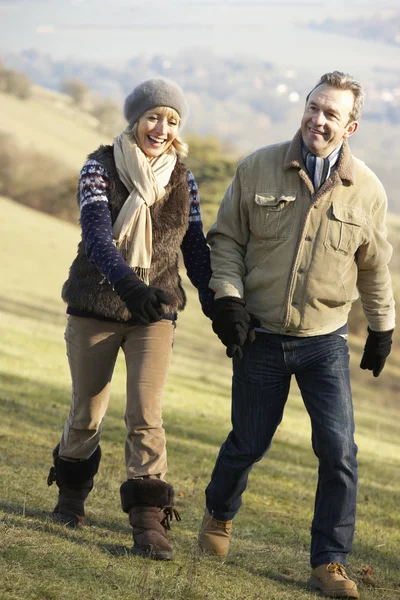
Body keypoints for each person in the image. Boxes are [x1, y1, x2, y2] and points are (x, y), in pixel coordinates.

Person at [198, 71, 395, 598]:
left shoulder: (368, 191)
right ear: (304, 109)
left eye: (332, 113)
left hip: (324, 342)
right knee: (247, 443)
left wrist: (382, 328)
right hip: (259, 336)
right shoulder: (257, 166)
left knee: (339, 452)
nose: (319, 119)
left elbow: (375, 268)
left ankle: (329, 562)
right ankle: (219, 516)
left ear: (350, 125)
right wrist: (230, 299)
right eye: (314, 107)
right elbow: (226, 242)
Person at [46, 77, 213, 561]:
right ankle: (71, 497)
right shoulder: (98, 167)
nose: (162, 128)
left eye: (172, 121)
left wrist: (218, 302)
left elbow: (195, 249)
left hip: (154, 314)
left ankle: (148, 524)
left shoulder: (184, 178)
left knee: (145, 415)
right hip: (96, 306)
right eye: (154, 117)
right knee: (87, 414)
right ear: (136, 120)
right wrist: (128, 285)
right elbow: (97, 238)